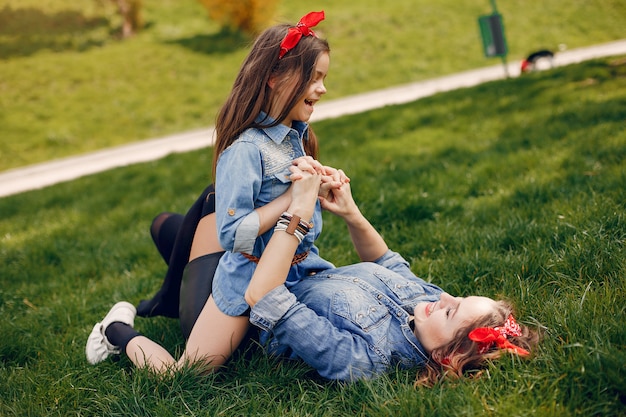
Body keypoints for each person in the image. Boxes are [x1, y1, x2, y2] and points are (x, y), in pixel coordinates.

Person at [87, 160, 538, 383]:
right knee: (184, 218)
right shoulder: (427, 309)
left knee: (183, 373)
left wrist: (297, 210)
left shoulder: (367, 359)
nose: (441, 298)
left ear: (446, 357)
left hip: (235, 303)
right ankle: (173, 284)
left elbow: (263, 295)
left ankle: (115, 330)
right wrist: (352, 214)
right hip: (285, 261)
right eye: (455, 297)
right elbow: (389, 264)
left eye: (450, 313)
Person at [86, 11, 347, 373]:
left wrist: (321, 189)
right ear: (274, 77)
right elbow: (231, 234)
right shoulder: (245, 150)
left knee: (200, 217)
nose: (322, 88)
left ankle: (172, 252)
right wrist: (292, 197)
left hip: (295, 269)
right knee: (189, 373)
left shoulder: (298, 136)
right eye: (314, 78)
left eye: (324, 78)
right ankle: (115, 330)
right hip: (244, 275)